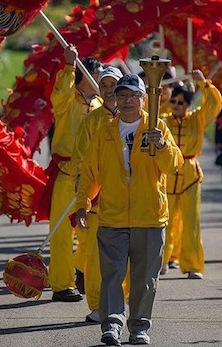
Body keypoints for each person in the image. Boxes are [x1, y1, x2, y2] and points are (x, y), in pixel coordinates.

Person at [75, 73, 184, 346]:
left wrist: (160, 145)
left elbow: (174, 165)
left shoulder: (157, 127)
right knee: (111, 275)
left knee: (144, 279)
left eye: (132, 96)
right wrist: (82, 203)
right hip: (112, 215)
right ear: (115, 98)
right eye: (121, 95)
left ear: (143, 99)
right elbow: (90, 173)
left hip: (149, 216)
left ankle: (139, 328)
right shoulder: (104, 132)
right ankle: (111, 324)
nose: (126, 101)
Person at [46, 45, 103, 302]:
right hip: (66, 173)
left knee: (92, 232)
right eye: (96, 74)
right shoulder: (67, 102)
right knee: (61, 233)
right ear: (84, 76)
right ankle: (61, 285)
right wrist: (69, 66)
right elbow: (59, 94)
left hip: (91, 177)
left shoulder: (102, 104)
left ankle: (81, 269)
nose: (101, 80)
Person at [70, 65, 123, 323]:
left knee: (123, 258)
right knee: (93, 256)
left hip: (126, 202)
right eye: (104, 85)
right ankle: (97, 305)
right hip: (96, 201)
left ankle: (120, 305)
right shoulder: (91, 121)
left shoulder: (135, 118)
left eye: (114, 85)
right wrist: (84, 191)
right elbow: (79, 159)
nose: (109, 90)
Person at [161, 70, 222, 278]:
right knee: (164, 221)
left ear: (188, 104)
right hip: (167, 174)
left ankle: (193, 265)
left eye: (181, 102)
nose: (176, 106)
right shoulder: (163, 120)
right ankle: (162, 260)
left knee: (191, 222)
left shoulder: (197, 119)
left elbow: (214, 104)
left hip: (190, 174)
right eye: (174, 102)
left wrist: (203, 84)